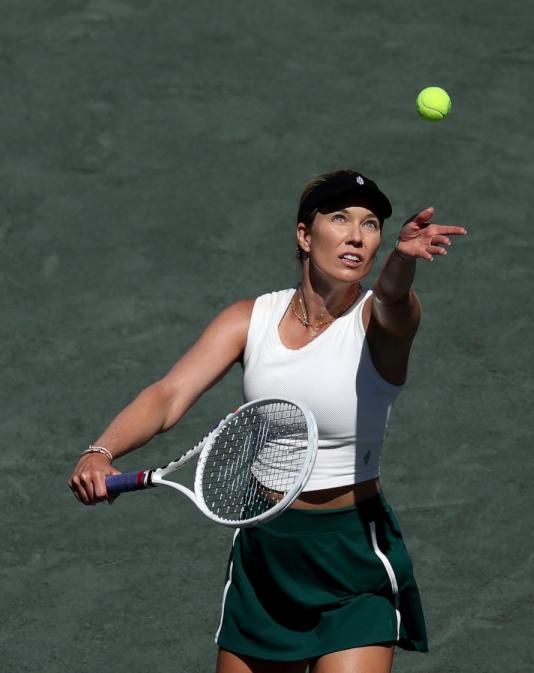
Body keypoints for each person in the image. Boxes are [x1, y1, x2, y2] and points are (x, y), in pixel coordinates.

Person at [68, 169, 467, 673]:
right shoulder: (248, 319)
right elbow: (168, 394)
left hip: (350, 555)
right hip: (266, 552)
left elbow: (391, 296)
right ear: (305, 234)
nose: (356, 235)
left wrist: (401, 263)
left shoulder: (381, 320)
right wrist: (100, 452)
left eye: (370, 225)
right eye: (340, 218)